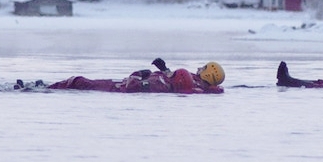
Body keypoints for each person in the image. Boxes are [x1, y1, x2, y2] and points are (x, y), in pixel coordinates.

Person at [15, 58, 225, 94]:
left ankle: (35, 90)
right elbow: (169, 79)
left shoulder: (186, 83)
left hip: (118, 88)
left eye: (203, 67)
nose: (199, 68)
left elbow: (135, 87)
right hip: (121, 85)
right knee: (77, 82)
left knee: (79, 82)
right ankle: (40, 87)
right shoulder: (194, 84)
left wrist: (140, 76)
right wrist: (163, 69)